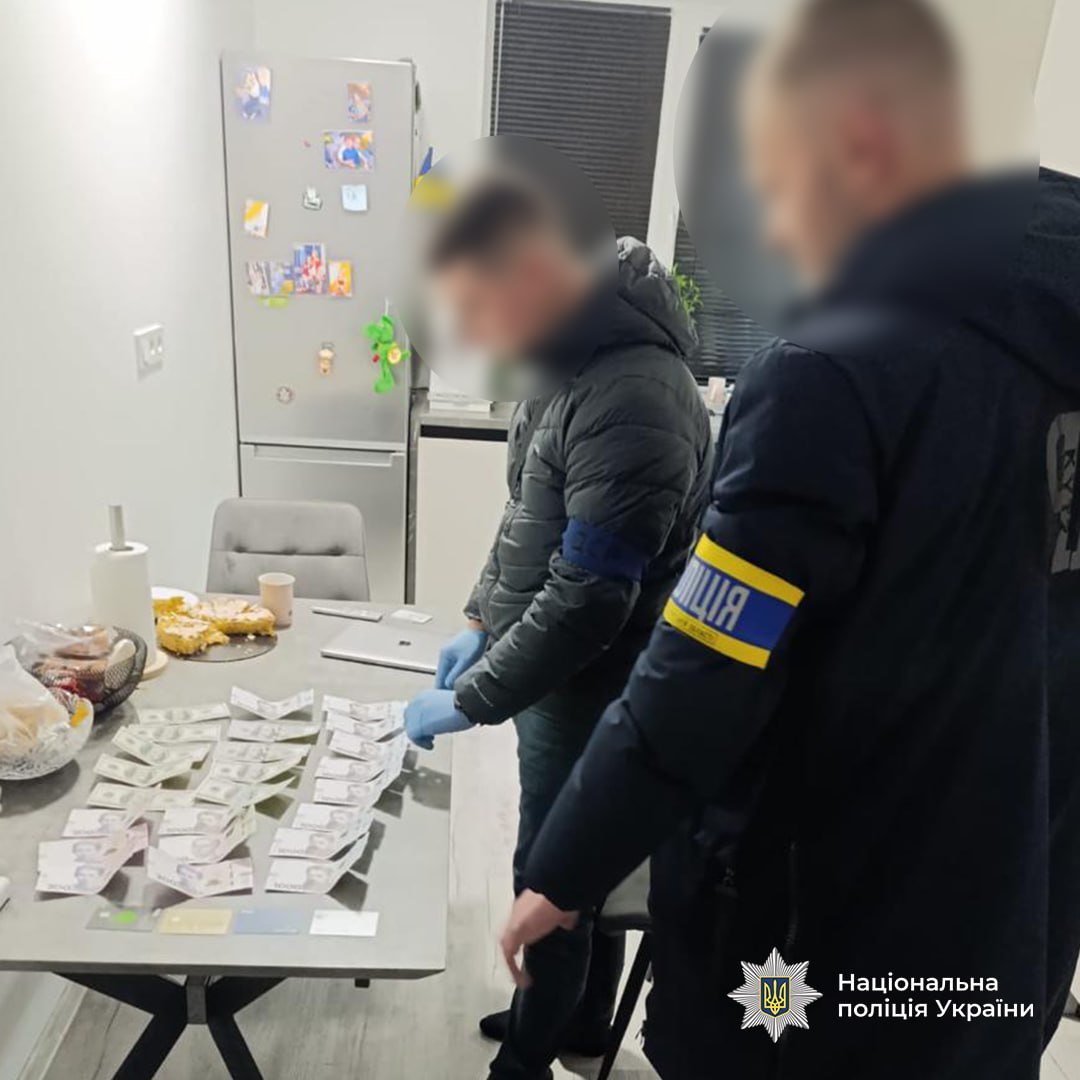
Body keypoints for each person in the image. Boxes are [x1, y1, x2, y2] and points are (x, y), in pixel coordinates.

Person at [499, 2, 1080, 1078]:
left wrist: (566, 866)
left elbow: (706, 668)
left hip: (816, 952)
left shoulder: (836, 370)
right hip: (1012, 937)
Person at [403, 170, 713, 1079]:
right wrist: (477, 616)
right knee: (578, 855)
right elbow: (526, 516)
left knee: (556, 871)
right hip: (557, 676)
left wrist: (476, 697)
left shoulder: (636, 396)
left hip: (596, 680)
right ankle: (573, 1021)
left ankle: (528, 1058)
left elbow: (588, 599)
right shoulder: (568, 360)